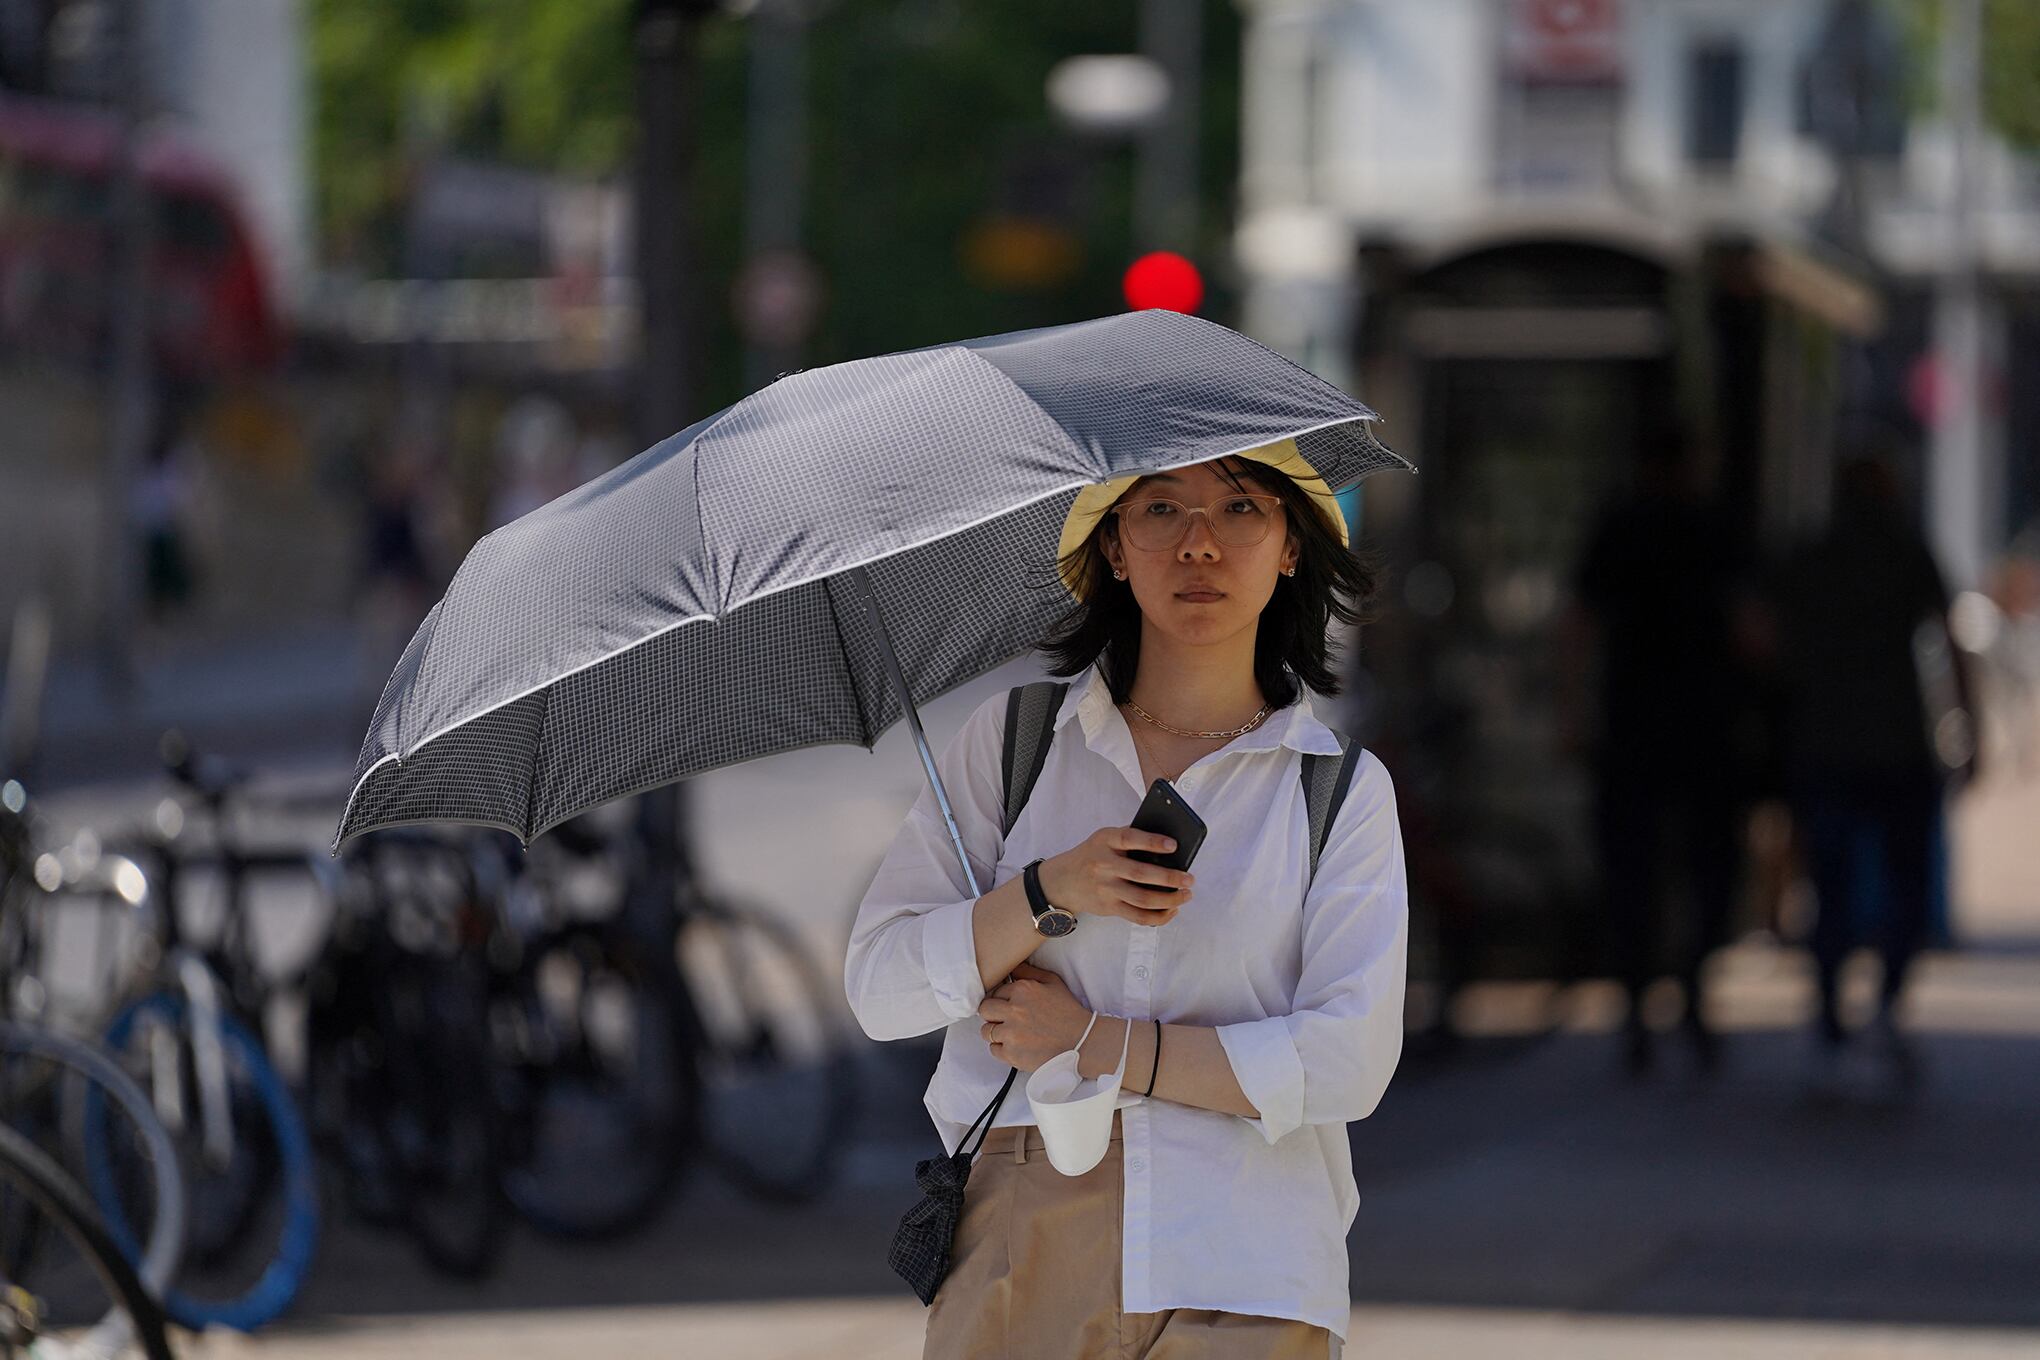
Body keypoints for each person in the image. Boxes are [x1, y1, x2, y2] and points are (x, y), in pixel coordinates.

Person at [845, 439, 1409, 1360]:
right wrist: (1047, 889)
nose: (1198, 544)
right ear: (1113, 547)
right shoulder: (1016, 744)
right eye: (1158, 509)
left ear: (1291, 546)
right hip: (1023, 1240)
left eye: (1239, 510)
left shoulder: (1338, 790)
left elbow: (1348, 1062)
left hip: (1250, 1253)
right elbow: (880, 987)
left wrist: (1094, 1043)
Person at [1564, 438, 1763, 1075]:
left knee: (1632, 871)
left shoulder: (1619, 530)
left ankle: (1636, 1012)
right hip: (1705, 727)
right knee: (1707, 872)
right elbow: (1752, 631)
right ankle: (1695, 998)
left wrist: (1573, 711)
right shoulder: (1716, 532)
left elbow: (1579, 626)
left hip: (1631, 725)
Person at [1780, 454, 1978, 1080]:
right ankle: (1883, 1003)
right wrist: (1970, 731)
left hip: (1829, 744)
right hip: (1891, 747)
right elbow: (1951, 643)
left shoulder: (1815, 558)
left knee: (1831, 887)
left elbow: (1770, 642)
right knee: (1901, 888)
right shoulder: (1903, 552)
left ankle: (1835, 1012)